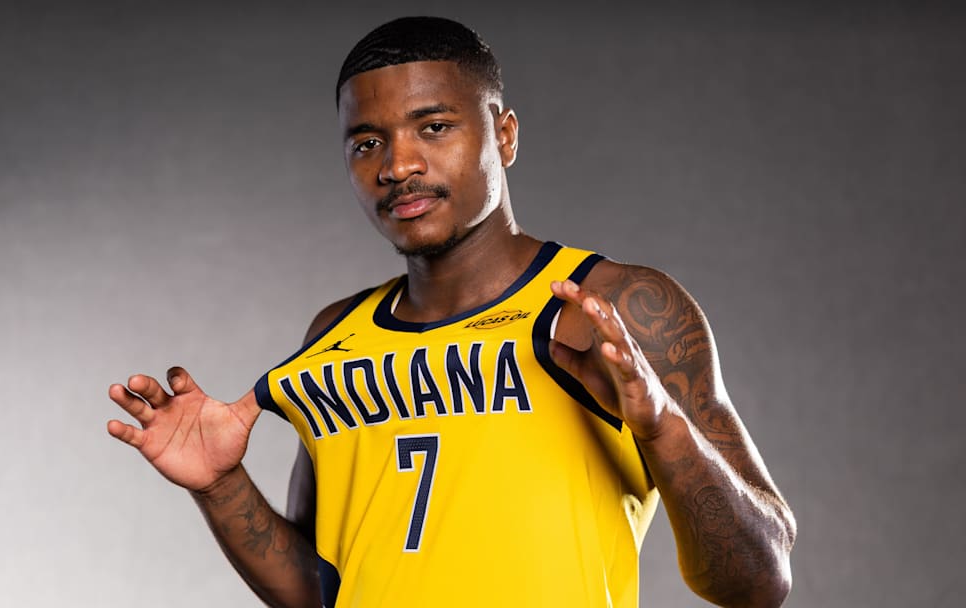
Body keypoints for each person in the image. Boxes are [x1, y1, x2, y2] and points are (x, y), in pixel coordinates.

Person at [107, 16, 795, 608]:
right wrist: (222, 487)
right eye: (366, 142)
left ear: (506, 135)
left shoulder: (614, 305)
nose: (398, 164)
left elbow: (758, 582)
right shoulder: (334, 335)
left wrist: (663, 429)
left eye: (433, 127)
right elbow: (321, 590)